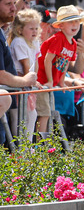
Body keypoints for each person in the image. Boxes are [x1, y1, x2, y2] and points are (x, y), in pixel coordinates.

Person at [36, 6, 84, 138]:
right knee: (44, 114)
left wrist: (61, 82)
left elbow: (64, 64)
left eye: (77, 21)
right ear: (61, 26)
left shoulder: (73, 43)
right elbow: (47, 60)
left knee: (47, 114)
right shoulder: (58, 38)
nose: (75, 25)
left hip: (50, 85)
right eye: (71, 22)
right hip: (41, 81)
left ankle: (44, 146)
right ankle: (39, 147)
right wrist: (50, 80)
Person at [7, 8, 42, 137]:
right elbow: (25, 64)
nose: (35, 31)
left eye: (36, 28)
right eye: (31, 28)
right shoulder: (19, 42)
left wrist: (35, 78)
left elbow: (36, 62)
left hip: (28, 82)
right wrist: (31, 79)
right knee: (18, 116)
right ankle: (20, 146)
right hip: (19, 81)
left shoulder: (35, 42)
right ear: (20, 29)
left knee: (32, 114)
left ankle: (26, 145)